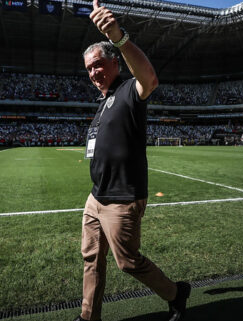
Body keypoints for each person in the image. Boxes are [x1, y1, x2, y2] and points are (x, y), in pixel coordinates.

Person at [74, 1, 191, 321]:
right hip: (96, 196)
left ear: (114, 63)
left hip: (122, 198)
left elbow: (148, 78)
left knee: (127, 262)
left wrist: (118, 36)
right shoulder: (103, 103)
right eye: (88, 69)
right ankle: (89, 316)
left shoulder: (128, 91)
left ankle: (175, 293)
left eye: (98, 64)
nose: (93, 72)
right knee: (91, 259)